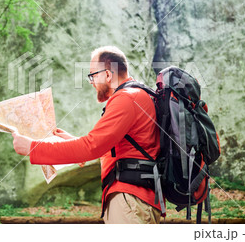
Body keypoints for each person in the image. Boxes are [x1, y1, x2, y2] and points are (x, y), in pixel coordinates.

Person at [12, 46, 162, 224]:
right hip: (136, 199)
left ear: (108, 74)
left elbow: (91, 147)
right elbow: (120, 150)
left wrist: (32, 148)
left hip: (130, 200)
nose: (91, 81)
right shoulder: (139, 95)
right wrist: (76, 142)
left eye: (93, 75)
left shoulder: (126, 98)